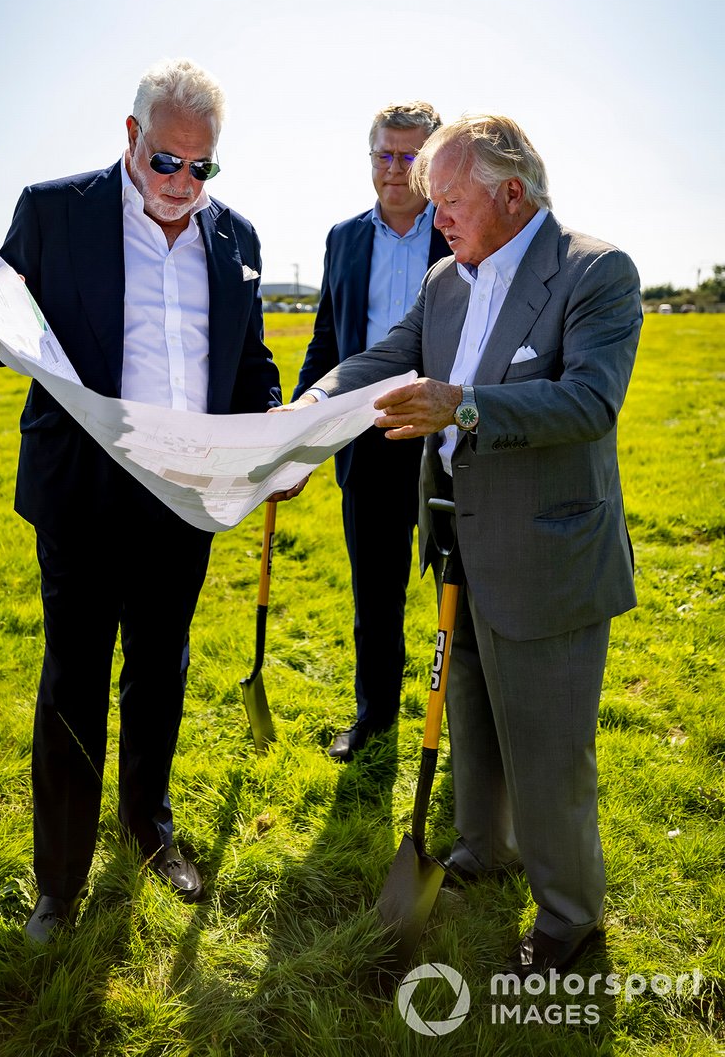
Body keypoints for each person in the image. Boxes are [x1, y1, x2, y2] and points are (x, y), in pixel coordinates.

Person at [0, 58, 304, 944]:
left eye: (203, 167)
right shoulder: (54, 209)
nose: (183, 184)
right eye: (166, 161)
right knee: (74, 680)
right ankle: (59, 883)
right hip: (82, 494)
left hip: (183, 494)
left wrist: (273, 436)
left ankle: (147, 825)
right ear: (131, 137)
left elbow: (248, 362)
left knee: (162, 667)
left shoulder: (238, 238)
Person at [288, 114, 642, 975]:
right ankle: (483, 850)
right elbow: (389, 356)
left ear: (510, 192)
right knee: (477, 716)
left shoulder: (595, 272)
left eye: (448, 200)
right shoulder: (448, 279)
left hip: (549, 552)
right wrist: (309, 410)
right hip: (458, 538)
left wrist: (465, 406)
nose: (435, 219)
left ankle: (568, 918)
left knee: (549, 747)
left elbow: (590, 401)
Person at [293, 102, 449, 761]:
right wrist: (298, 425)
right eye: (384, 154)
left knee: (461, 594)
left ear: (433, 163)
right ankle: (375, 718)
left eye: (411, 155)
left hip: (450, 440)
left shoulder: (463, 228)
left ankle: (469, 733)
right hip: (368, 436)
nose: (395, 168)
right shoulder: (344, 239)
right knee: (374, 598)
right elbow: (329, 338)